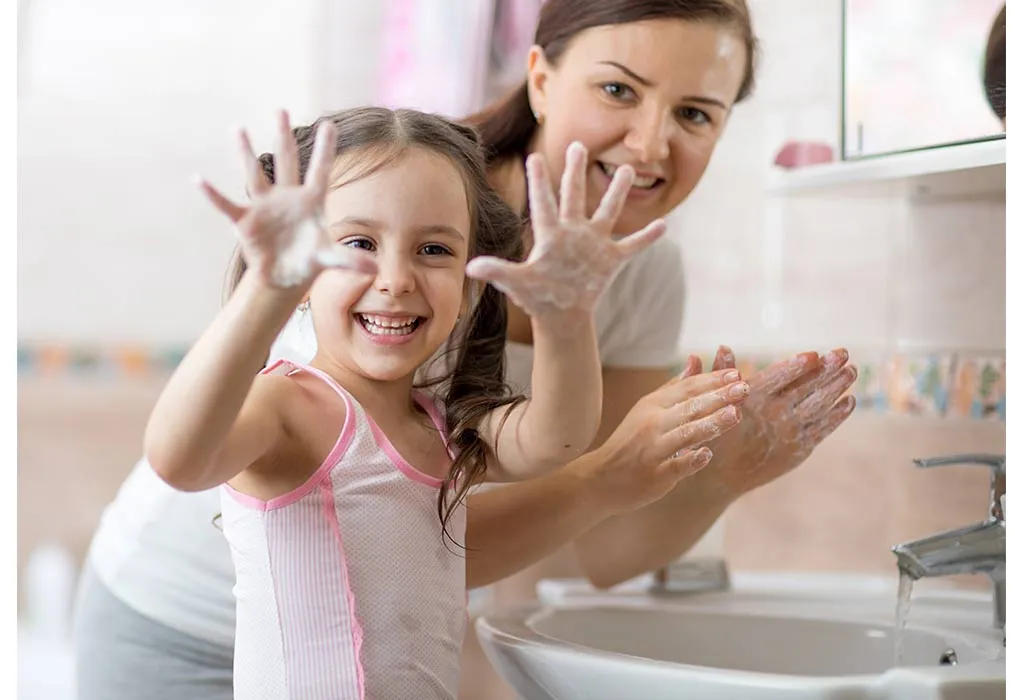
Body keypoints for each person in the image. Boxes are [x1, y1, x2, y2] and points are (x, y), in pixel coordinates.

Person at [74, 1, 858, 698]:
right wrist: (269, 288)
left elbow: (581, 491)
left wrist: (713, 468)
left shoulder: (627, 281)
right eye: (619, 89)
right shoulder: (383, 213)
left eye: (695, 113)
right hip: (175, 622)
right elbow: (190, 456)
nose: (650, 142)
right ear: (541, 79)